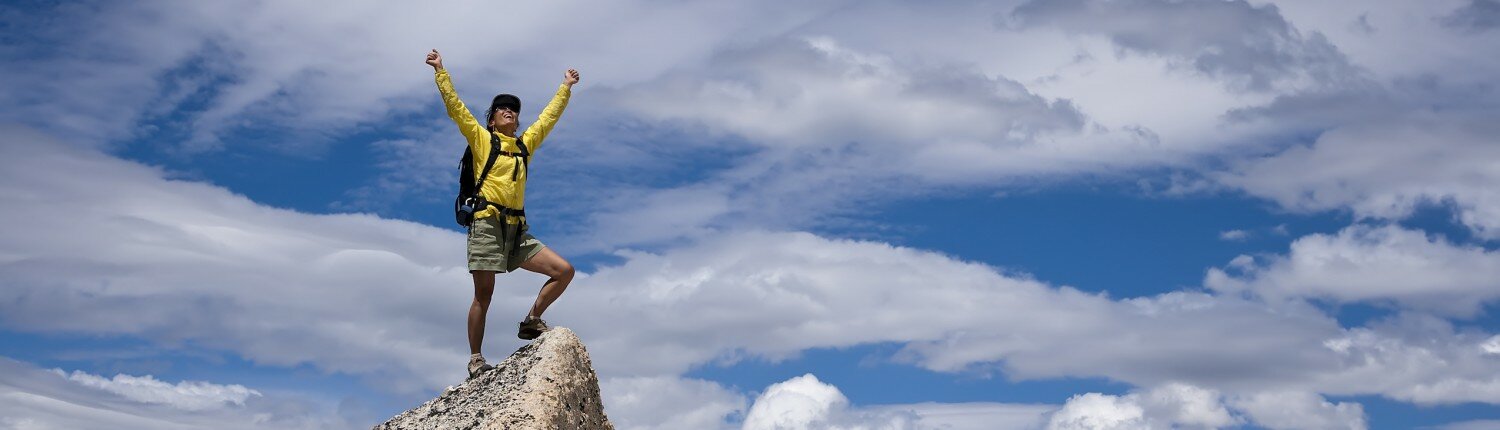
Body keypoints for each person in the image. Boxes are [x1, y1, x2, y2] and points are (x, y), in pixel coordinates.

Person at [426, 49, 580, 378]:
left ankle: (531, 321)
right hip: (486, 224)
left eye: (513, 110)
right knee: (484, 294)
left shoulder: (525, 145)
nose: (509, 112)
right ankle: (476, 359)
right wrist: (441, 72)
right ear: (493, 119)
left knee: (564, 271)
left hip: (516, 230)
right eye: (502, 109)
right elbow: (457, 110)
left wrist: (565, 87)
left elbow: (548, 118)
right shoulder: (483, 141)